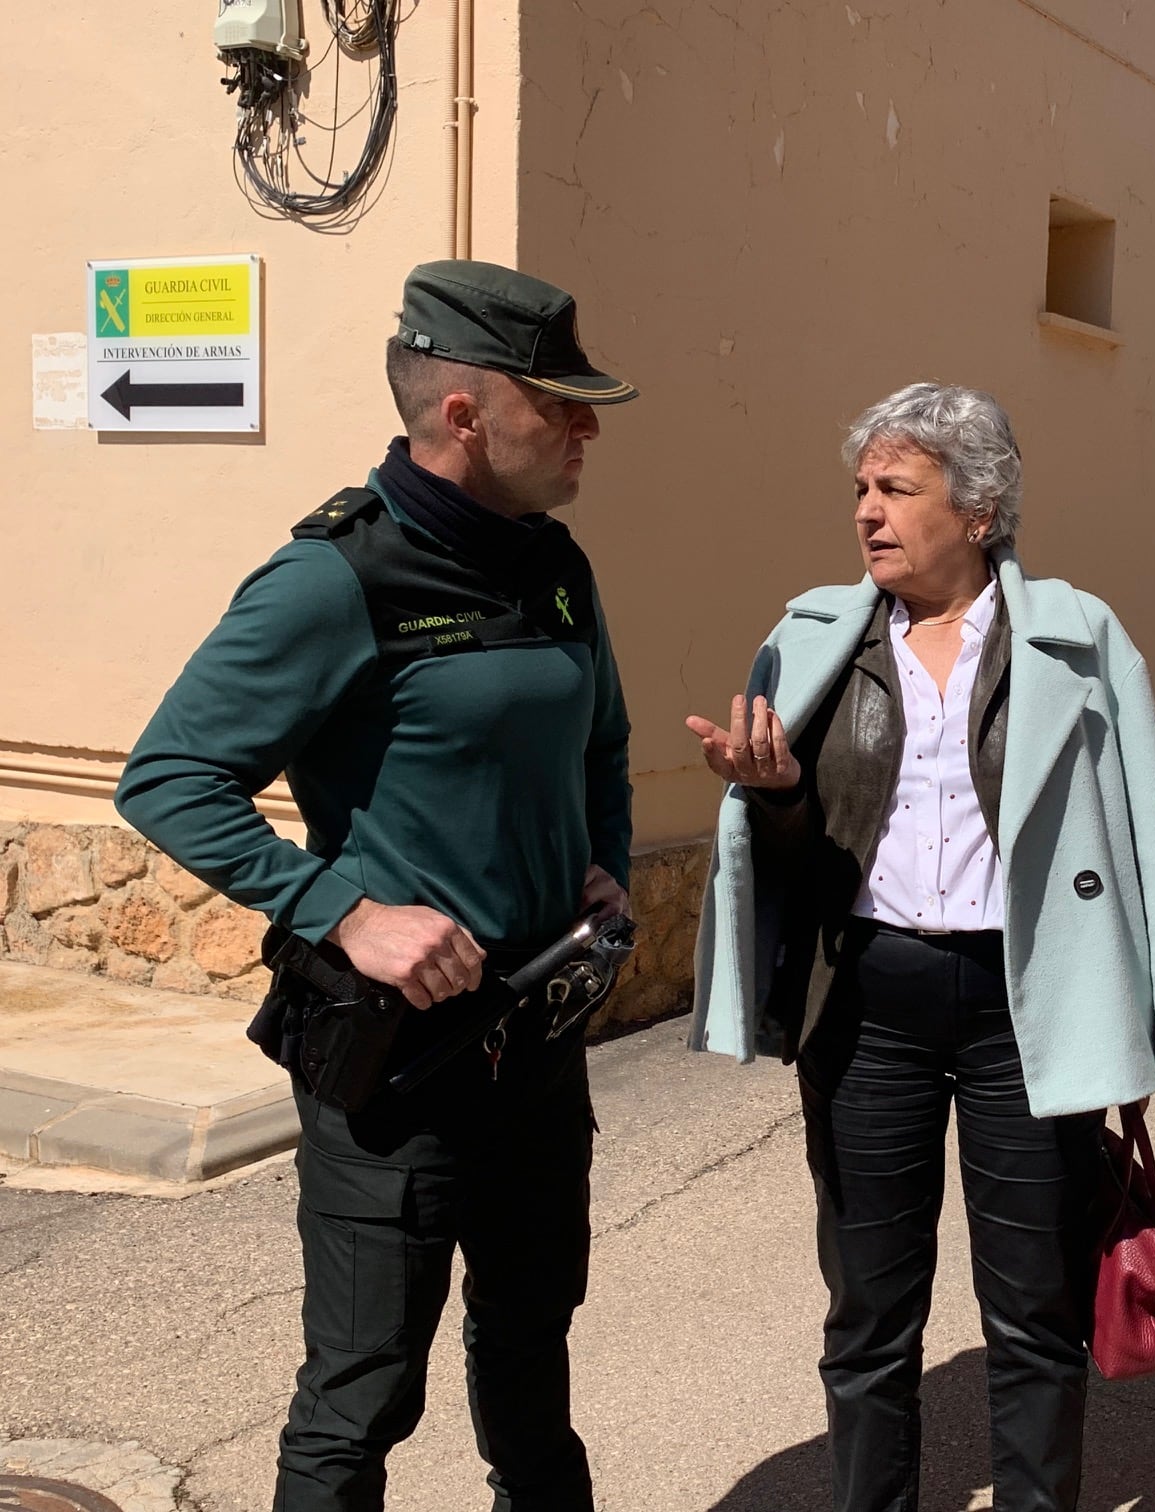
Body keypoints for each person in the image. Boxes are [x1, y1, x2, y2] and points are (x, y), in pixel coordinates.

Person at [115, 260, 638, 1512]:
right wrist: (346, 912)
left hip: (536, 1057)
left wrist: (602, 862)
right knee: (360, 1398)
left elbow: (601, 740)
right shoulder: (336, 578)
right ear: (465, 417)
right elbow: (168, 777)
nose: (587, 429)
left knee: (531, 1364)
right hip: (398, 1072)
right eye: (558, 405)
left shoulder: (553, 565)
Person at [687, 381, 1155, 1512]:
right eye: (862, 490)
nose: (868, 513)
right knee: (871, 1316)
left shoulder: (1075, 636)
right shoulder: (813, 637)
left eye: (897, 489)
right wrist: (772, 794)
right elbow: (790, 850)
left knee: (1033, 1314)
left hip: (1026, 1008)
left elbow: (1144, 833)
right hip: (869, 1003)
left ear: (979, 511)